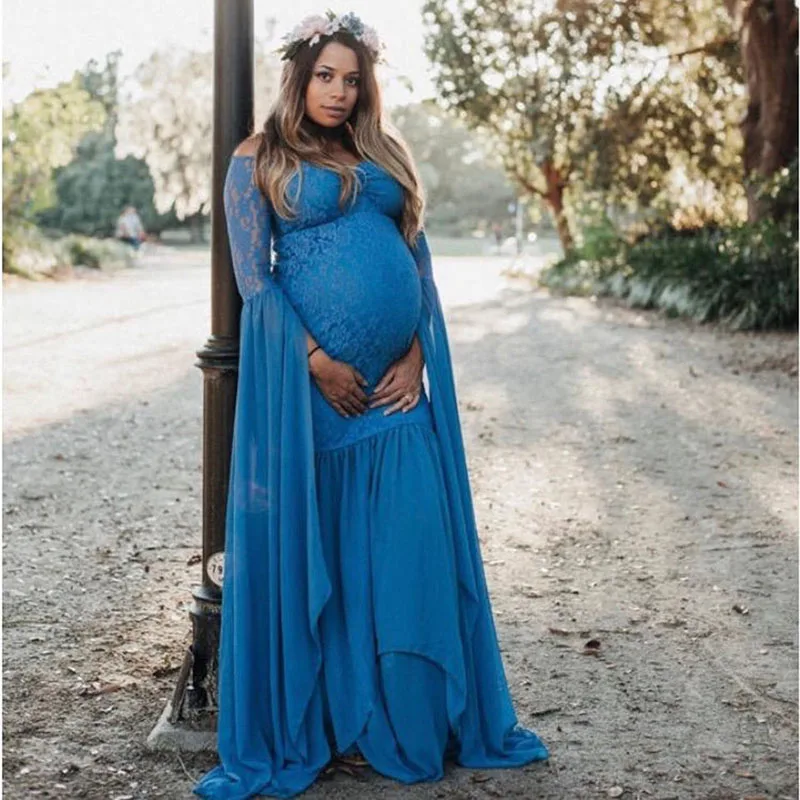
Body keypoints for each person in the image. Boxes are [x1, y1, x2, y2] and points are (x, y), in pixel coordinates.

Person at [193, 11, 549, 800]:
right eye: (327, 75)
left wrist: (419, 348)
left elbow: (415, 262)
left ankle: (411, 719)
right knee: (331, 553)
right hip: (313, 399)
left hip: (395, 392)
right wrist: (314, 362)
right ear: (299, 75)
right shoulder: (258, 159)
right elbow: (257, 282)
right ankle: (331, 725)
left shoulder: (382, 152)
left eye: (352, 79)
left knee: (410, 547)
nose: (340, 90)